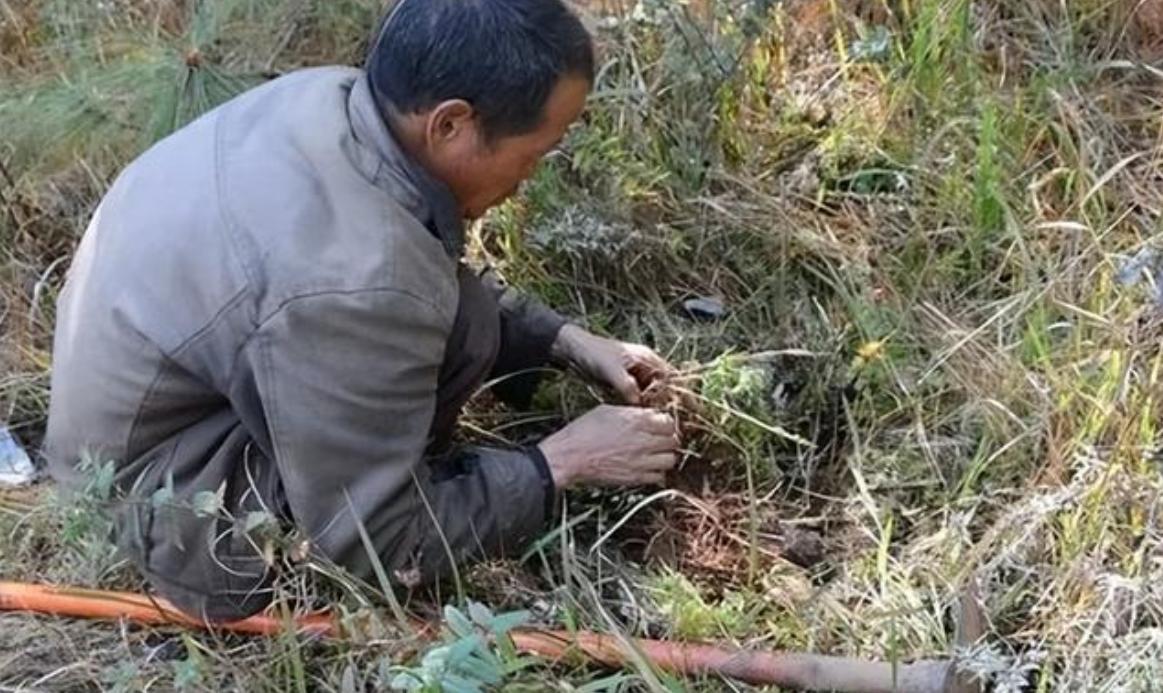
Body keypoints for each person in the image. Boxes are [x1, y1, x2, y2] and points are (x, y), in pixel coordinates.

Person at [43, 0, 680, 621]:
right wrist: (559, 464)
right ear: (451, 125)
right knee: (378, 519)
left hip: (151, 413)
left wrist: (564, 341)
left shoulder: (333, 100)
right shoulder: (357, 284)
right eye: (535, 153)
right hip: (161, 504)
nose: (529, 179)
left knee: (468, 323)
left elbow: (421, 266)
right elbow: (378, 548)